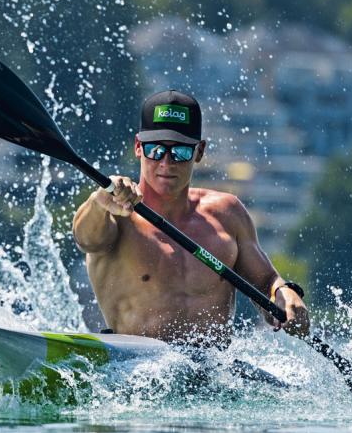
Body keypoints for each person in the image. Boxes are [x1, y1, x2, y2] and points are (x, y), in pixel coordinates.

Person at [72, 91, 309, 348]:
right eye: (156, 149)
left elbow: (266, 283)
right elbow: (86, 239)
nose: (166, 162)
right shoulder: (113, 213)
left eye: (180, 152)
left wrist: (284, 293)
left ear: (199, 152)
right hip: (137, 373)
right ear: (138, 147)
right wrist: (99, 202)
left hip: (214, 375)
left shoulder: (227, 214)